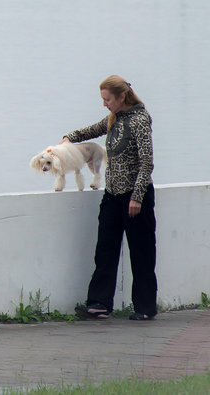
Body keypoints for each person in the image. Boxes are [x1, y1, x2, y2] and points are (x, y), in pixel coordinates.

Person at [64, 75, 157, 321]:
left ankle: (145, 307)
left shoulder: (139, 121)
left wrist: (137, 197)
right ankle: (99, 303)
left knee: (142, 253)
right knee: (105, 250)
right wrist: (68, 139)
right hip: (113, 196)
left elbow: (146, 162)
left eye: (107, 99)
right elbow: (92, 129)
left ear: (121, 97)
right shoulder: (114, 119)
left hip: (136, 197)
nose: (104, 104)